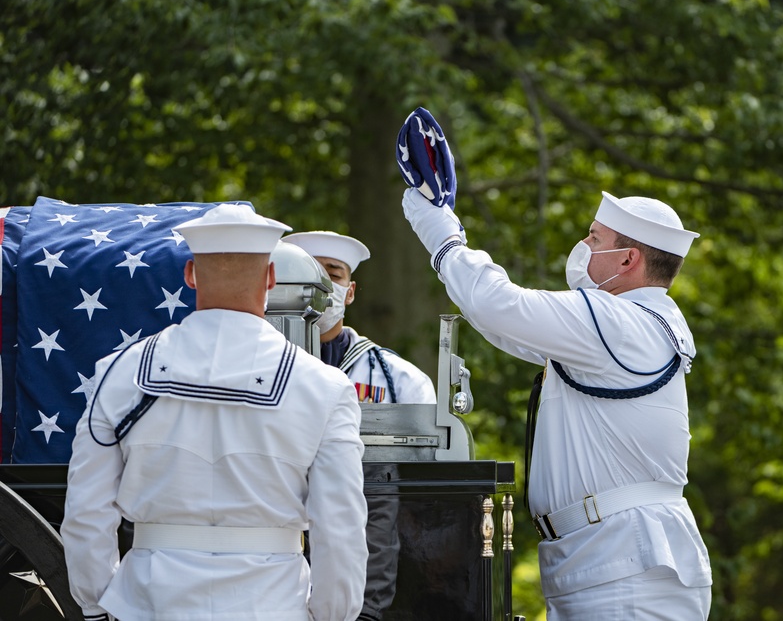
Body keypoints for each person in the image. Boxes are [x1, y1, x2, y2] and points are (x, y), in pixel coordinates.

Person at [395, 109, 712, 621]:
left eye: (594, 238)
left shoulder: (617, 321)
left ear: (628, 261)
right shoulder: (628, 325)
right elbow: (506, 328)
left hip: (623, 567)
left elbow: (499, 305)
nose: (583, 246)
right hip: (608, 560)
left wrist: (442, 231)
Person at [61, 204, 368, 621]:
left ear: (190, 274)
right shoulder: (325, 387)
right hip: (272, 605)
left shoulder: (118, 372)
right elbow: (341, 527)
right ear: (271, 278)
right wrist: (333, 615)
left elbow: (86, 511)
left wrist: (96, 605)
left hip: (149, 603)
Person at [281, 231, 436, 405]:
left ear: (350, 292)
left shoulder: (402, 380)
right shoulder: (266, 361)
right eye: (310, 273)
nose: (322, 284)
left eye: (333, 275)